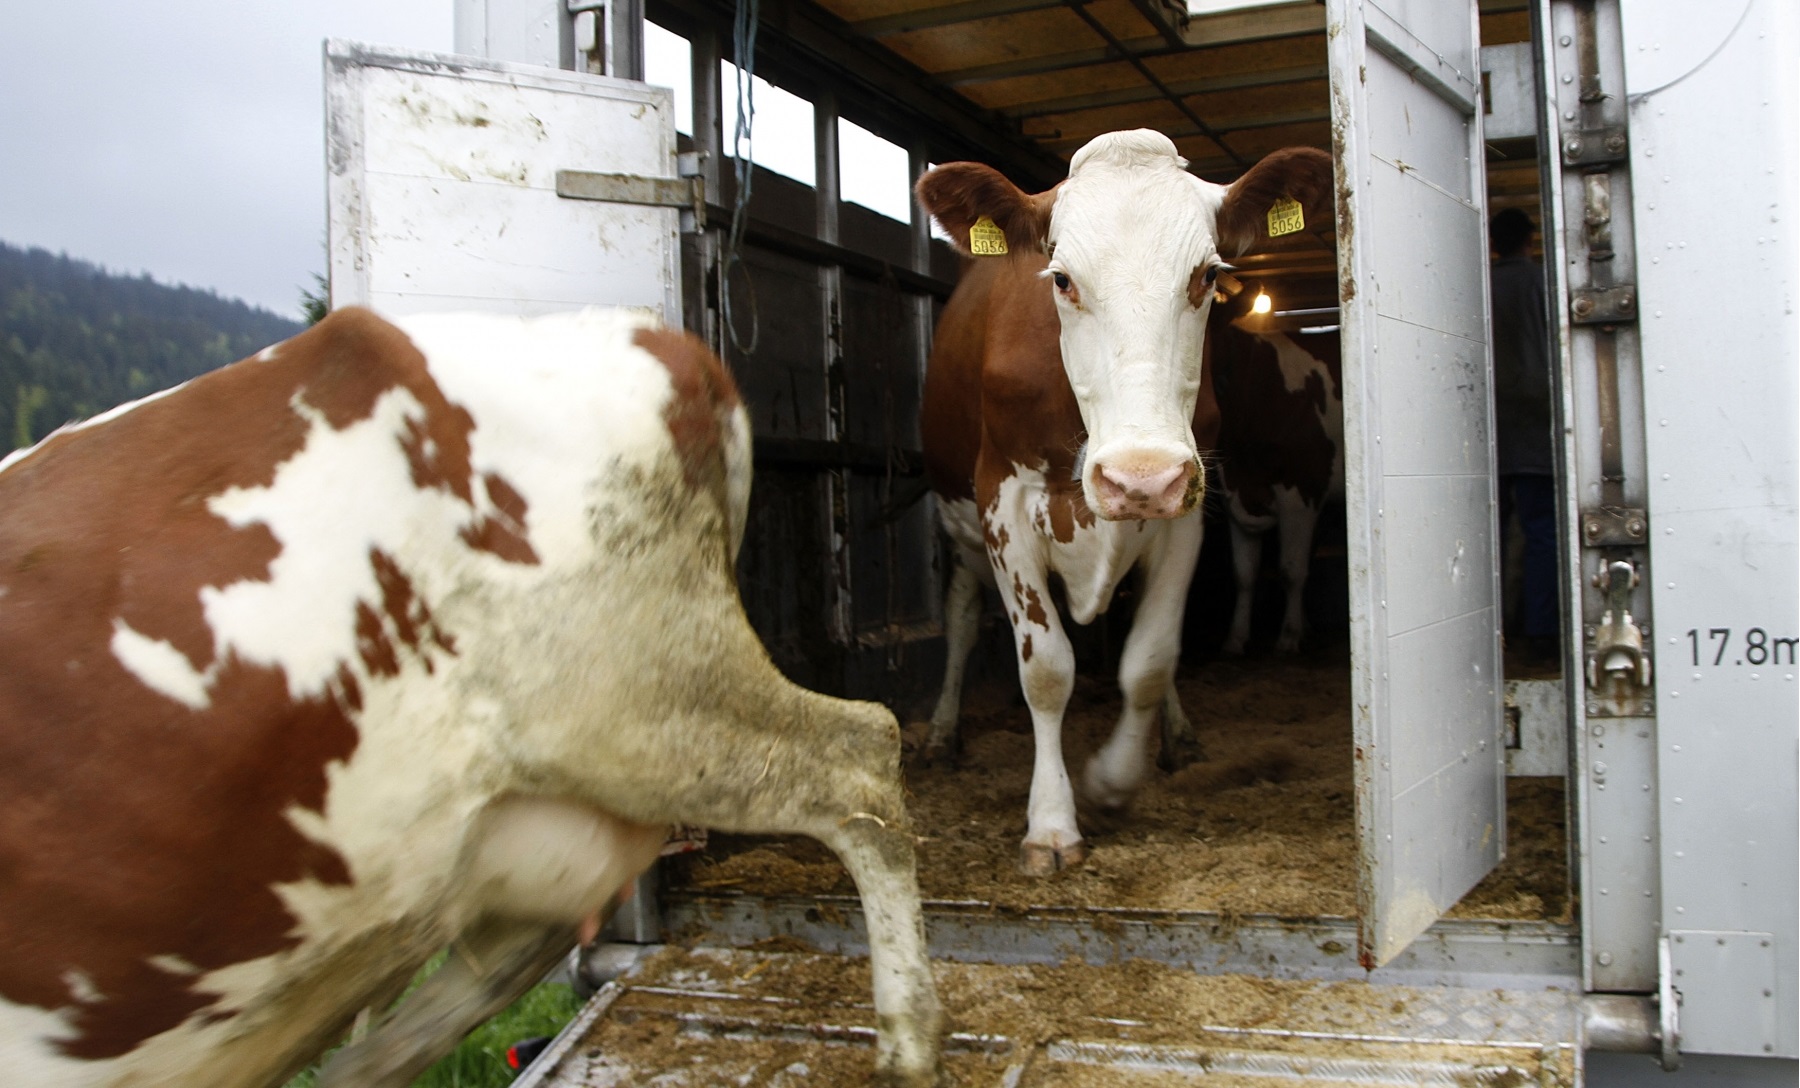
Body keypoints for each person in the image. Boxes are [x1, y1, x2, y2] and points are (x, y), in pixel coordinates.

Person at [1489, 208, 1559, 664]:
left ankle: (1487, 629)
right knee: (1540, 533)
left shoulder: (1479, 285)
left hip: (1485, 427)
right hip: (1536, 425)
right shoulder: (1542, 284)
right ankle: (1541, 632)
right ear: (1530, 241)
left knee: (1483, 535)